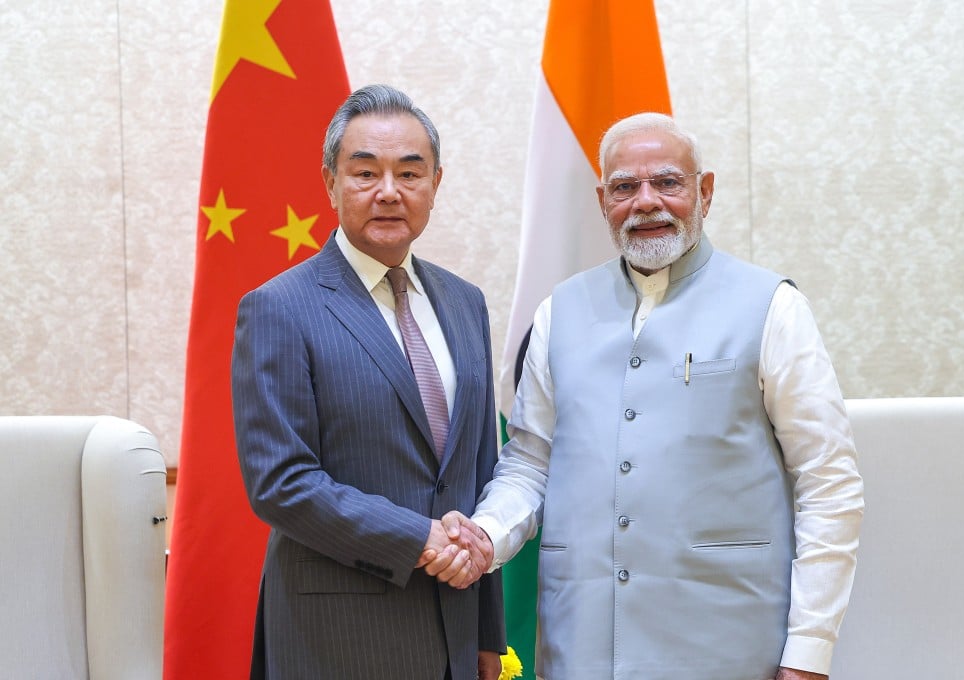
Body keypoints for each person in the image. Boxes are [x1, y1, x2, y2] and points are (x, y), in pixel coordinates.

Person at [432, 112, 864, 679]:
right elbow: (530, 465)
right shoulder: (559, 312)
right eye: (624, 187)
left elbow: (828, 481)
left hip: (727, 648)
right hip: (580, 645)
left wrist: (809, 651)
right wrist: (485, 535)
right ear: (602, 200)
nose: (646, 202)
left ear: (705, 192)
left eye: (667, 182)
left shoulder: (773, 307)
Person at [231, 84, 505, 680]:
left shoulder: (465, 303)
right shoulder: (279, 307)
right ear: (330, 182)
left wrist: (488, 632)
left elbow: (479, 469)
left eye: (410, 172)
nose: (388, 192)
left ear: (436, 183)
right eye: (365, 172)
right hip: (337, 640)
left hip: (456, 635)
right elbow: (281, 483)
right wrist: (419, 538)